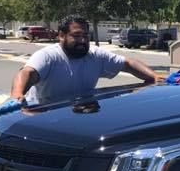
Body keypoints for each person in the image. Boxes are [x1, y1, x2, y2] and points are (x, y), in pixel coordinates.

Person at [10, 15, 163, 105]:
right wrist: (17, 95)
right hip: (42, 114)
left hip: (79, 111)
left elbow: (128, 64)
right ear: (61, 36)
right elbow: (27, 73)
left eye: (85, 36)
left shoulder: (95, 55)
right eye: (76, 36)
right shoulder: (48, 56)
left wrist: (154, 77)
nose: (82, 40)